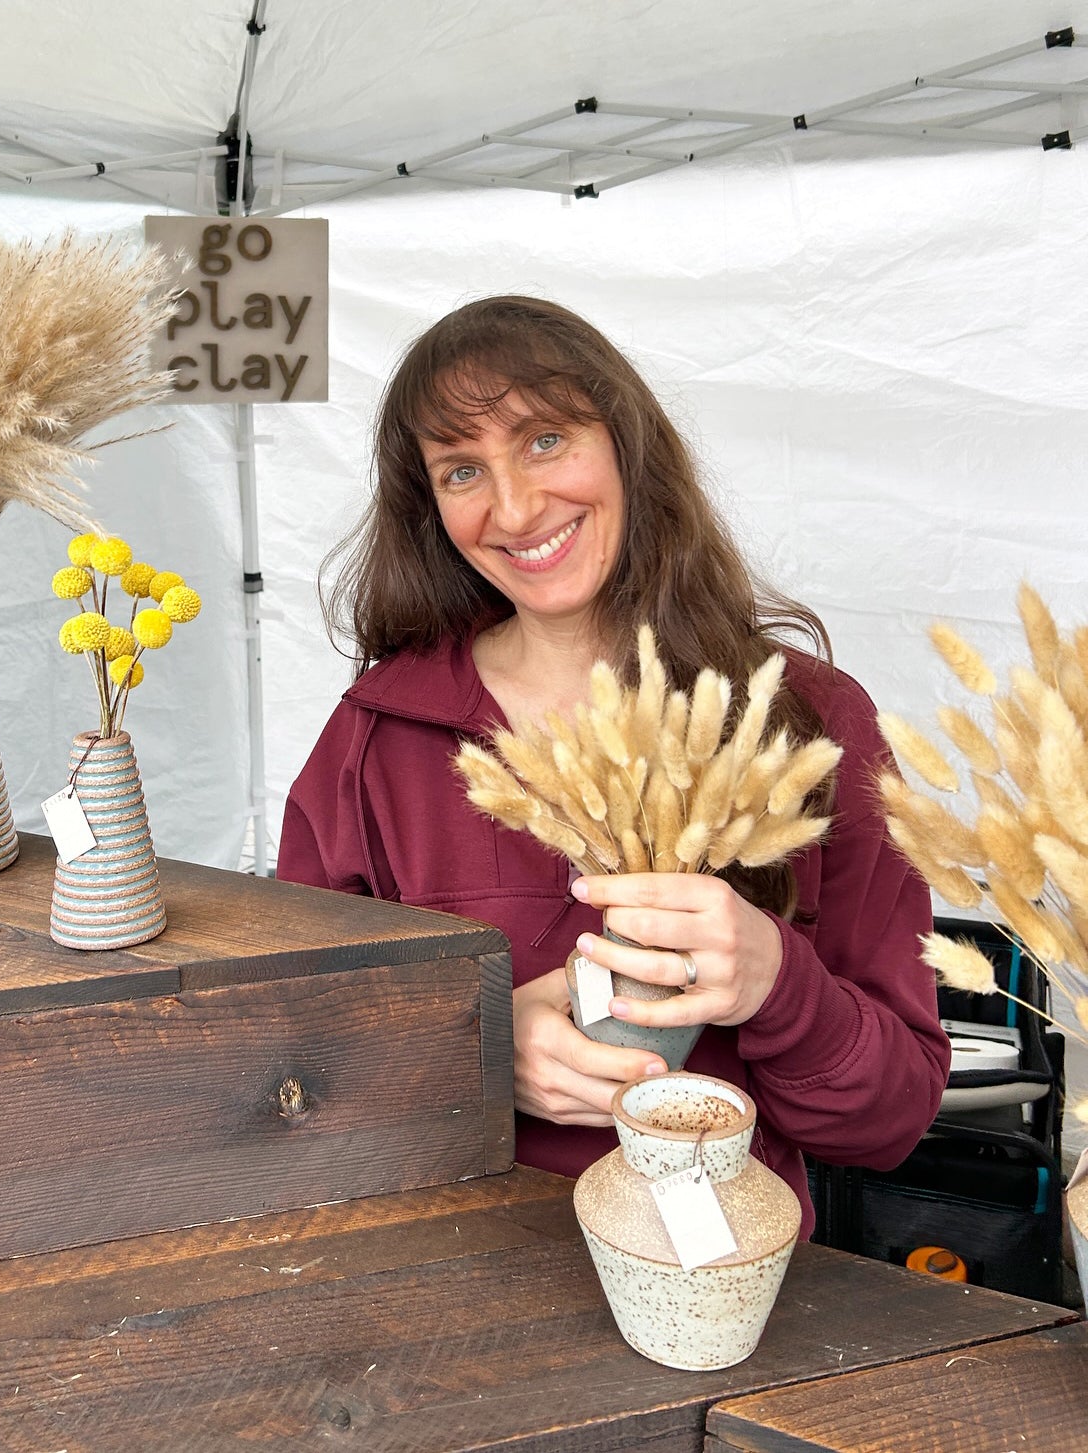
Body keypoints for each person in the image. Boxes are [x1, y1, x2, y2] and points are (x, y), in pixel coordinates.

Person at [276, 295, 950, 1233]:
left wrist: (774, 978)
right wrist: (472, 1048)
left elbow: (890, 1118)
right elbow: (290, 1060)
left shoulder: (810, 720)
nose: (514, 507)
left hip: (711, 1295)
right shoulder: (376, 738)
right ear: (429, 507)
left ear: (626, 443)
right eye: (463, 468)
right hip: (440, 1274)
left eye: (546, 439)